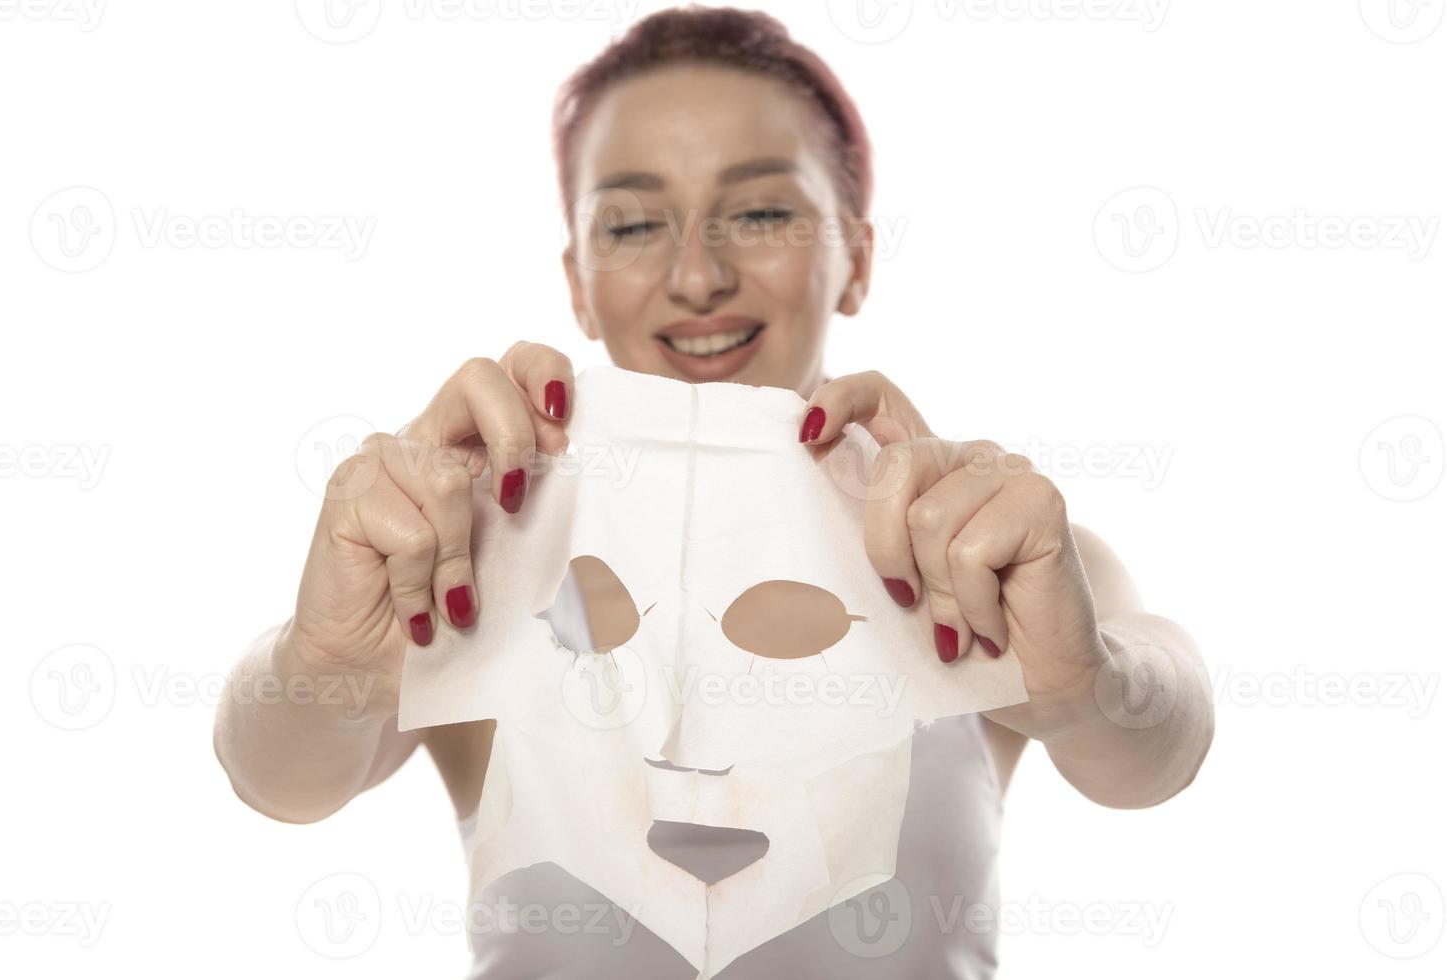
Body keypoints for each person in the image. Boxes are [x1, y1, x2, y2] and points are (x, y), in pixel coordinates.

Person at [213, 7, 1213, 976]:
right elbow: (277, 773)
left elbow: (1157, 745)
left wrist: (1085, 683)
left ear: (855, 258)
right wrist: (331, 661)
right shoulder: (476, 543)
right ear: (578, 282)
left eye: (764, 210)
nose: (696, 277)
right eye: (636, 222)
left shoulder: (984, 549)